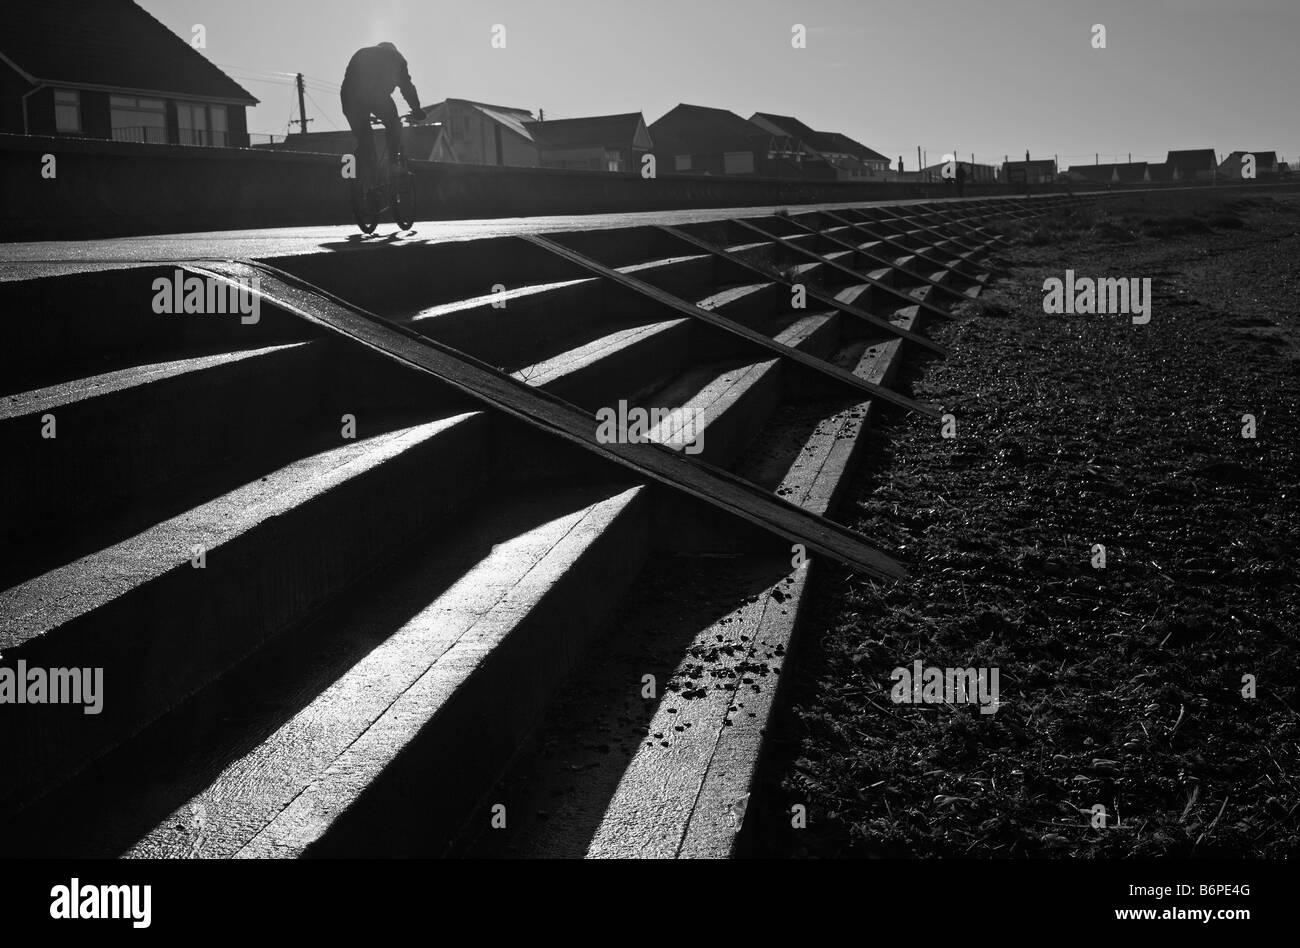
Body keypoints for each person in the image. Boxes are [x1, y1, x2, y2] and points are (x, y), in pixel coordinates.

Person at [341, 42, 425, 195]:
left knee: (365, 142)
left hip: (348, 96)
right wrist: (417, 109)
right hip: (376, 96)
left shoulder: (363, 52)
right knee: (394, 125)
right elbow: (407, 88)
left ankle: (354, 174)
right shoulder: (397, 58)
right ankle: (393, 165)